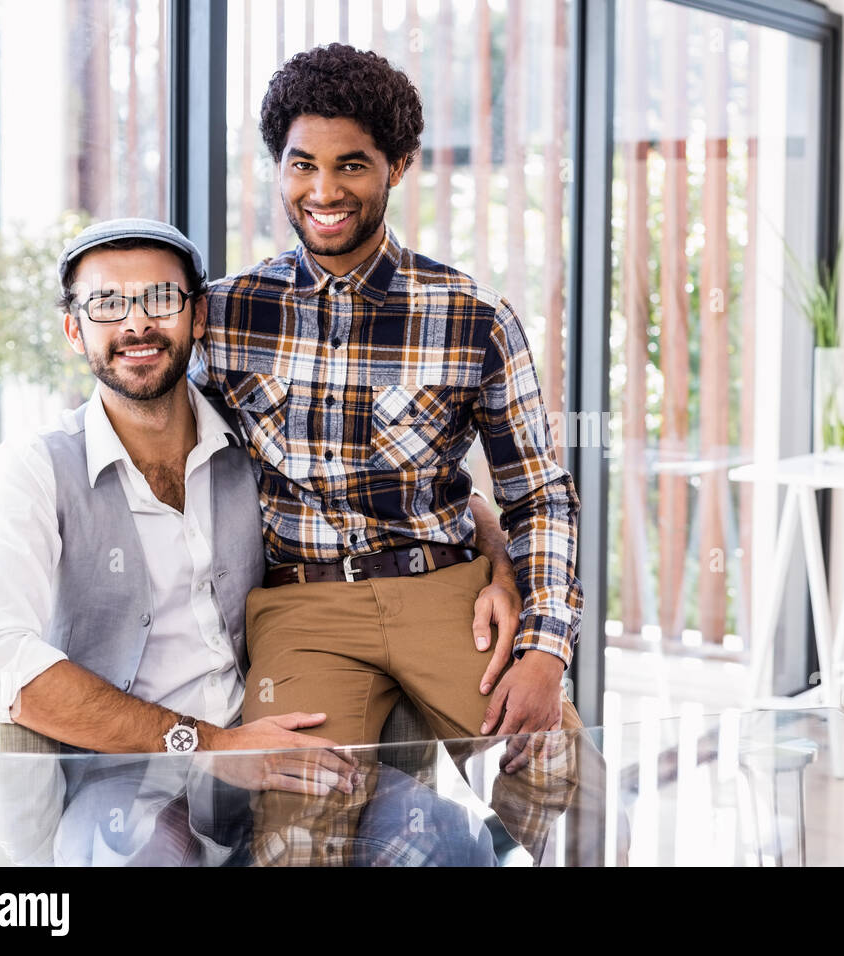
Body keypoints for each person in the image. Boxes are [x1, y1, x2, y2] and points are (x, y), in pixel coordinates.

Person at [0, 218, 510, 865]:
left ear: (199, 315)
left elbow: (424, 495)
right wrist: (210, 744)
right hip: (126, 780)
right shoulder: (37, 466)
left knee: (451, 841)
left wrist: (499, 564)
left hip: (284, 744)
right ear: (75, 328)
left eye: (161, 297)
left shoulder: (263, 428)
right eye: (107, 303)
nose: (136, 323)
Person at [194, 43, 618, 865]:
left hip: (447, 597)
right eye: (301, 165)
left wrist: (543, 646)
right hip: (303, 612)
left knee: (586, 811)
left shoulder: (473, 317)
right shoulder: (226, 314)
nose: (324, 192)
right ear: (276, 167)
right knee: (295, 838)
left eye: (352, 164)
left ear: (399, 166)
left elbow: (541, 497)